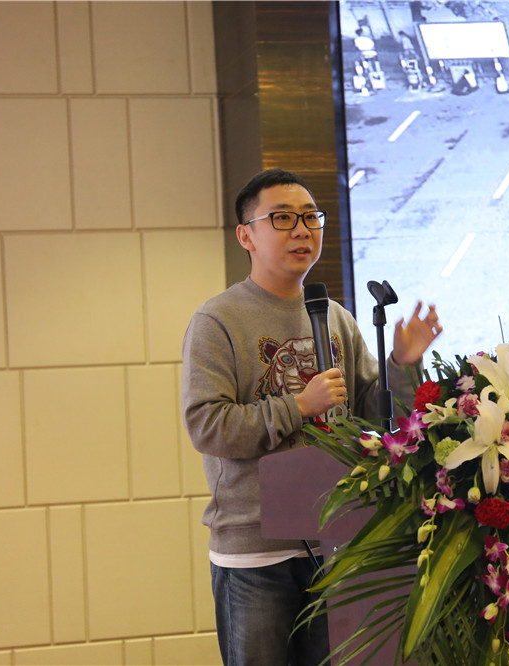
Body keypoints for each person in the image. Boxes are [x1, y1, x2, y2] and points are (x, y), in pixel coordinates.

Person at [181, 168, 443, 665]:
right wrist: (299, 406)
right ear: (246, 235)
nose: (302, 230)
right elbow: (207, 426)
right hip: (256, 550)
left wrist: (402, 363)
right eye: (282, 218)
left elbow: (374, 416)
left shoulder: (335, 315)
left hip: (335, 539)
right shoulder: (218, 320)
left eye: (310, 217)